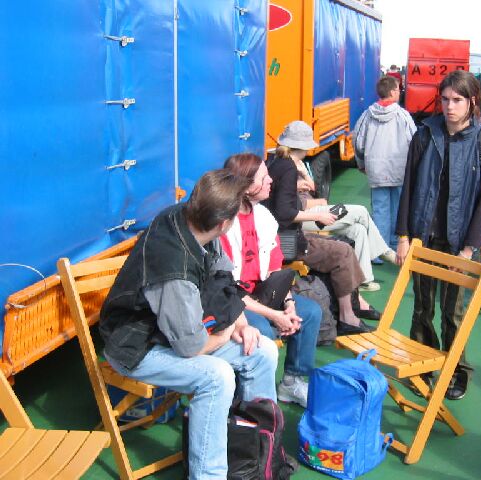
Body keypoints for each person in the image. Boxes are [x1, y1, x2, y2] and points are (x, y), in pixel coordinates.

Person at [99, 169, 279, 480]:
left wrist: (241, 323)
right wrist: (226, 332)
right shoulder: (174, 271)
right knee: (216, 377)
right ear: (224, 224)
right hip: (135, 346)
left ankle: (257, 455)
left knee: (262, 351)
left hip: (168, 329)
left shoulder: (194, 219)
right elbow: (192, 347)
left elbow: (223, 279)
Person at [396, 70, 481, 401]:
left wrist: (469, 250)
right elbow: (408, 186)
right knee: (422, 307)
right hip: (424, 237)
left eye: (457, 100)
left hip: (459, 245)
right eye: (444, 99)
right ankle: (421, 365)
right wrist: (403, 236)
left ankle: (457, 371)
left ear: (472, 101)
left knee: (453, 312)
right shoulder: (424, 135)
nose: (449, 106)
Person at [220, 153, 322, 408]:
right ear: (246, 186)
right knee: (262, 333)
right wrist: (275, 316)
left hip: (263, 294)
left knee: (310, 313)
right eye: (263, 177)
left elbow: (276, 270)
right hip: (233, 300)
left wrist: (289, 305)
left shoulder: (264, 217)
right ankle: (248, 400)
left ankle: (292, 381)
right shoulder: (224, 224)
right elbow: (227, 289)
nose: (271, 181)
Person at [263, 121, 381, 334]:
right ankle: (348, 317)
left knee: (343, 245)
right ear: (304, 147)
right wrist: (319, 216)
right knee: (344, 251)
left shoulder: (276, 162)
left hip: (279, 239)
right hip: (289, 243)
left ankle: (356, 305)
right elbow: (285, 213)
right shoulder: (289, 168)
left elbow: (278, 203)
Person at [291, 140, 396, 291]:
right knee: (360, 211)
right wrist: (318, 202)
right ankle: (383, 250)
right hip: (306, 216)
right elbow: (292, 206)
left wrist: (305, 172)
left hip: (316, 210)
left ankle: (363, 280)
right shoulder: (285, 170)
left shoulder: (298, 165)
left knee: (358, 229)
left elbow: (312, 188)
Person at [353, 75, 416, 256]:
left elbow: (358, 142)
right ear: (393, 91)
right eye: (399, 89)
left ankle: (379, 250)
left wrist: (362, 163)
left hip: (376, 169)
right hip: (399, 169)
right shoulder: (403, 115)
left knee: (380, 209)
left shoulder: (367, 115)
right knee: (398, 209)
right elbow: (414, 140)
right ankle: (396, 248)